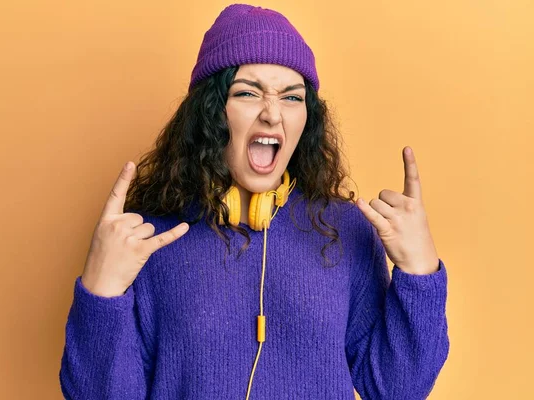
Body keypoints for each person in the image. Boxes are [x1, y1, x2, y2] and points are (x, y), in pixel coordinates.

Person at [59, 3, 449, 399]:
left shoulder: (346, 228)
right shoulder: (147, 239)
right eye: (248, 92)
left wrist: (420, 271)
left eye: (292, 98)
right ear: (210, 111)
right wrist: (100, 290)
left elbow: (397, 390)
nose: (272, 115)